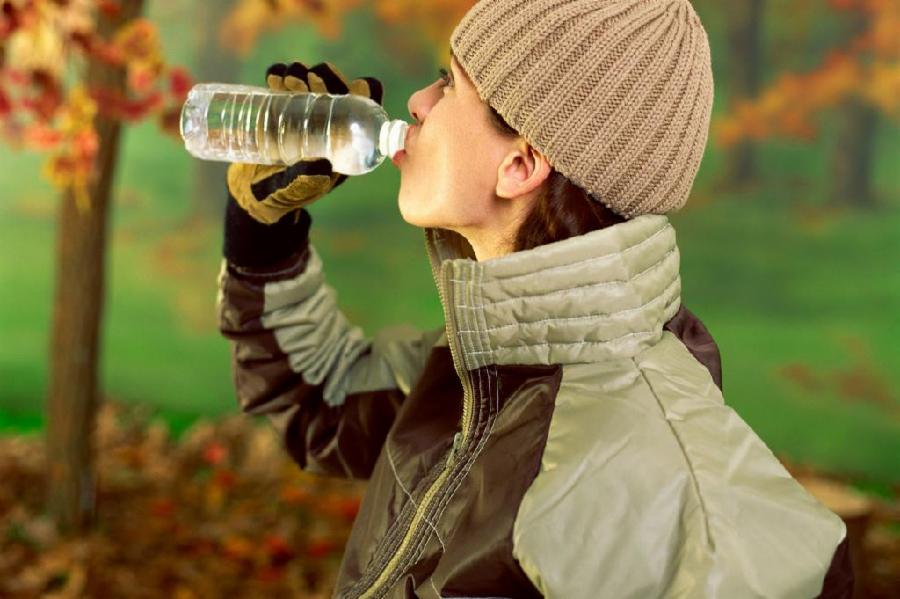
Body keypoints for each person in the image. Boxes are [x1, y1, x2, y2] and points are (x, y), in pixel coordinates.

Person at [216, 0, 853, 597]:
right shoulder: (491, 365)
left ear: (521, 163)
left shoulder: (668, 493)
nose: (416, 101)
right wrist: (260, 236)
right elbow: (328, 399)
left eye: (448, 82)